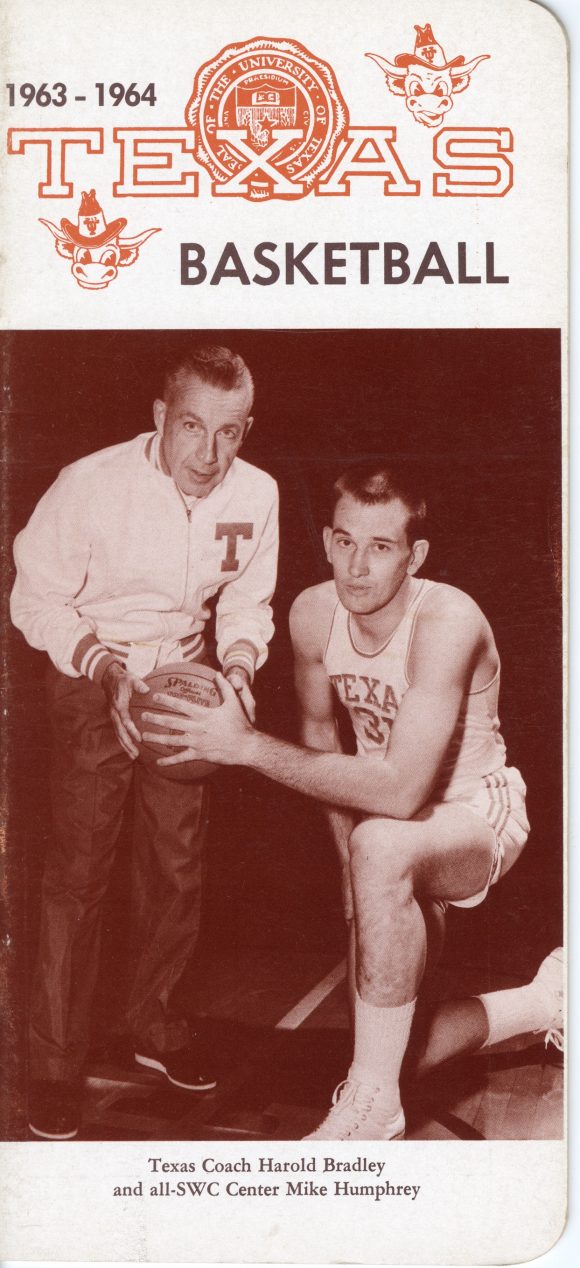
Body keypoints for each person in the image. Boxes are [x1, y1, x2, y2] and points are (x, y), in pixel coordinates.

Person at [141, 463, 563, 1140]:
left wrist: (247, 746)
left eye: (381, 546)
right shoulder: (313, 614)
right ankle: (545, 1001)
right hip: (385, 827)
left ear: (415, 554)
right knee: (400, 1051)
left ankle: (372, 1115)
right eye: (343, 542)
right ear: (330, 540)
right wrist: (346, 866)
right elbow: (318, 733)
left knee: (381, 842)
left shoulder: (447, 619)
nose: (356, 567)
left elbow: (400, 789)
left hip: (476, 816)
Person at [10, 343, 279, 1140]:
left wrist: (236, 667)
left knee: (177, 863)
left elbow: (247, 604)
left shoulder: (256, 493)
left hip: (187, 672)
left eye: (229, 433)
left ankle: (153, 1027)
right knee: (80, 867)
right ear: (161, 417)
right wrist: (106, 671)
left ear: (246, 429)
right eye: (192, 426)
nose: (209, 453)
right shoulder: (90, 485)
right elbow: (35, 600)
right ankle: (53, 1065)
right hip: (95, 663)